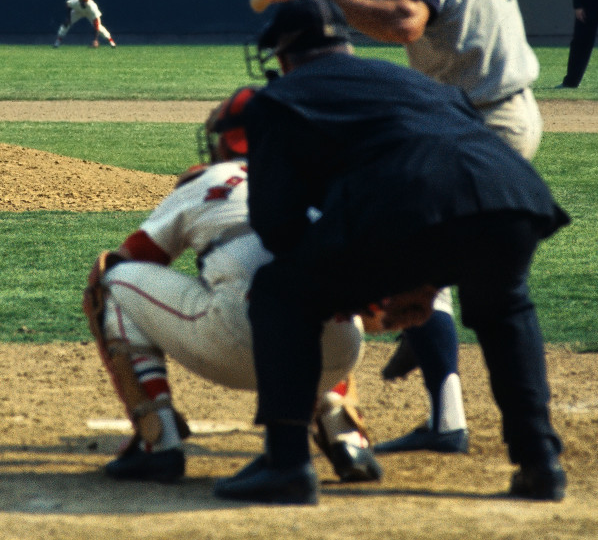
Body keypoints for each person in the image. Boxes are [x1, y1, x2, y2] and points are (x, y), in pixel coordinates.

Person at [256, 0, 546, 460]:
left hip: (477, 125)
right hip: (485, 119)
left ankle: (439, 398)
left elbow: (404, 19)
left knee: (422, 267)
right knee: (449, 275)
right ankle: (443, 369)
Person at [212, 0, 569, 506]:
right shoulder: (413, 80)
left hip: (411, 200)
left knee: (280, 290)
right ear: (345, 44)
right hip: (512, 191)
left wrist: (358, 285)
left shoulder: (280, 98)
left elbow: (277, 227)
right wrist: (412, 273)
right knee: (504, 308)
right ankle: (540, 462)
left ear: (284, 56)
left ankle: (287, 462)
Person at [82, 91, 384, 485]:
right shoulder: (320, 180)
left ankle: (158, 441)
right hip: (340, 353)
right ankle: (346, 435)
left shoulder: (210, 178)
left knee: (113, 281)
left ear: (225, 141)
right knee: (319, 294)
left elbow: (133, 258)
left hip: (238, 347)